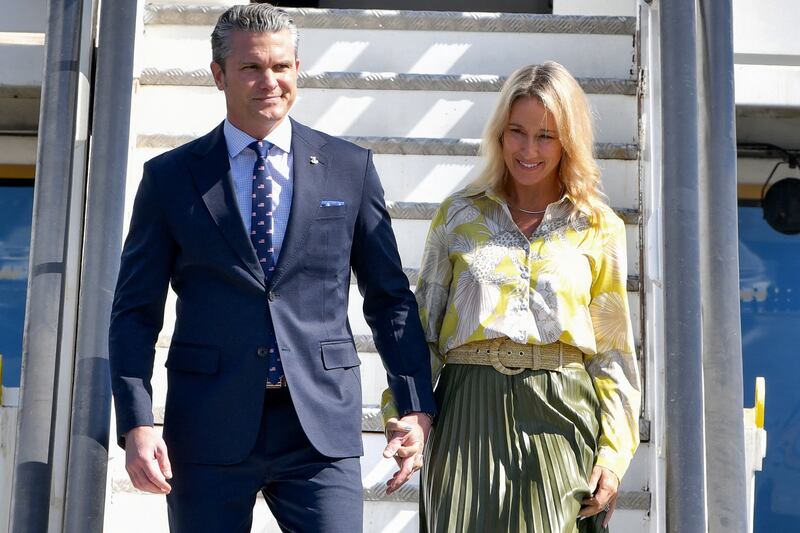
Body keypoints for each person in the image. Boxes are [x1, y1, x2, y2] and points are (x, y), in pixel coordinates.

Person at [109, 4, 435, 532]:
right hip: (208, 424)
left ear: (297, 69)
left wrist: (415, 405)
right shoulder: (170, 177)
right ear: (219, 75)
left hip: (319, 427)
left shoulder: (349, 168)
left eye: (281, 66)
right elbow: (134, 312)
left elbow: (389, 299)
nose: (270, 81)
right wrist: (137, 423)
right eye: (251, 67)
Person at [381, 62, 641, 532]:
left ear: (568, 141)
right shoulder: (458, 215)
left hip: (563, 409)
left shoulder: (599, 226)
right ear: (499, 133)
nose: (528, 149)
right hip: (466, 407)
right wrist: (406, 415)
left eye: (546, 136)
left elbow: (613, 352)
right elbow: (421, 333)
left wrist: (614, 454)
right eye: (517, 132)